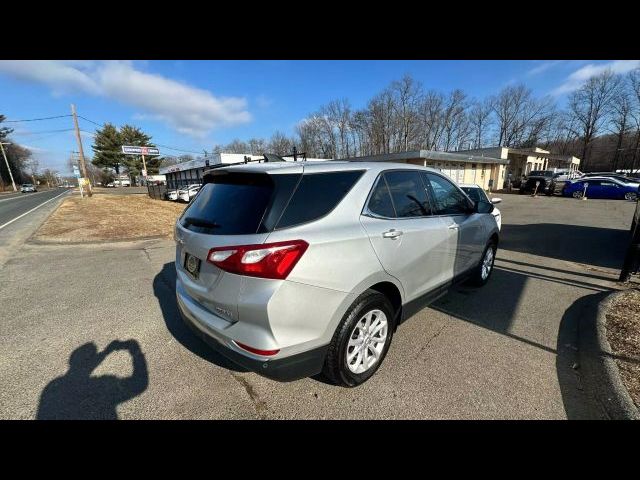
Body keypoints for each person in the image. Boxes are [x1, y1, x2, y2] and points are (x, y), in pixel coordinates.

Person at [37, 340, 148, 420]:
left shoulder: (54, 385)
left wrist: (105, 353)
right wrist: (135, 350)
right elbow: (139, 385)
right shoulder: (102, 384)